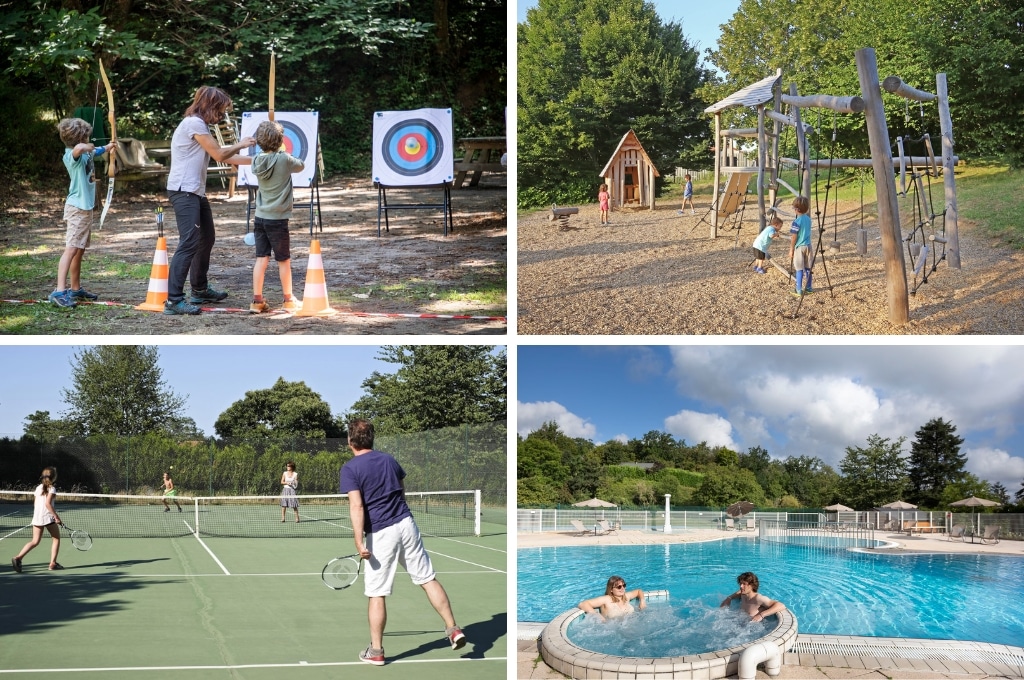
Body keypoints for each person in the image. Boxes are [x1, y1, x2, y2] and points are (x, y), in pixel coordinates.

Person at [339, 419, 467, 666]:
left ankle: (376, 651)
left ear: (350, 441)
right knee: (427, 578)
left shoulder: (350, 468)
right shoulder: (389, 459)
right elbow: (401, 490)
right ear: (371, 439)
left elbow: (356, 506)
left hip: (381, 533)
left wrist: (358, 540)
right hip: (406, 524)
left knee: (377, 594)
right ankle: (453, 628)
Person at [164, 86, 256, 315]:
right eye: (221, 110)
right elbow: (219, 155)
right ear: (210, 106)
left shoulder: (200, 125)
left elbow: (225, 154)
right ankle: (174, 301)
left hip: (194, 191)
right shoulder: (193, 123)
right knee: (189, 242)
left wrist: (259, 161)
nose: (222, 115)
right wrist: (243, 143)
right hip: (184, 190)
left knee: (206, 238)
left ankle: (200, 290)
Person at [50, 118, 117, 308]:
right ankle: (59, 291)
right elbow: (81, 148)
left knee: (79, 249)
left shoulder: (85, 152)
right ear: (80, 138)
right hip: (77, 208)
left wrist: (108, 147)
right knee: (71, 248)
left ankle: (75, 288)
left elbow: (94, 150)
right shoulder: (71, 154)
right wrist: (88, 145)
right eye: (86, 135)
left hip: (85, 208)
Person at [249, 120, 304, 313]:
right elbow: (301, 166)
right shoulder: (284, 159)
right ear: (281, 140)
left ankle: (257, 301)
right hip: (278, 220)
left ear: (259, 141)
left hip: (260, 218)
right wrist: (283, 151)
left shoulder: (256, 160)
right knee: (283, 260)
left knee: (261, 259)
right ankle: (288, 299)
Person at [12, 467, 63, 572]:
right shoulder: (52, 489)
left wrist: (40, 515)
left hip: (37, 517)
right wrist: (56, 517)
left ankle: (18, 558)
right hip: (48, 518)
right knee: (56, 538)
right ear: (53, 477)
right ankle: (52, 563)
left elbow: (35, 503)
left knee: (35, 541)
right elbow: (47, 504)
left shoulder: (38, 488)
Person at [719, 572, 786, 623]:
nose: (741, 586)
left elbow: (781, 605)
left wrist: (761, 615)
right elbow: (738, 592)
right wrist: (729, 598)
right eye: (740, 583)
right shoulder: (743, 595)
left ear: (752, 585)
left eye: (744, 584)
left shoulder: (758, 598)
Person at [578, 575, 646, 622]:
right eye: (619, 587)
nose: (622, 588)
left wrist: (642, 602)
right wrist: (596, 615)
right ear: (611, 589)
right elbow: (583, 604)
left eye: (624, 585)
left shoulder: (626, 597)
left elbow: (639, 591)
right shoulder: (606, 599)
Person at [787, 196, 813, 296]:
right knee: (808, 268)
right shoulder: (808, 219)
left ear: (797, 210)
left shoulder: (796, 222)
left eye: (793, 208)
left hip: (799, 247)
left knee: (799, 268)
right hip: (808, 246)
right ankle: (809, 287)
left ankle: (798, 290)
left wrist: (791, 249)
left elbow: (794, 237)